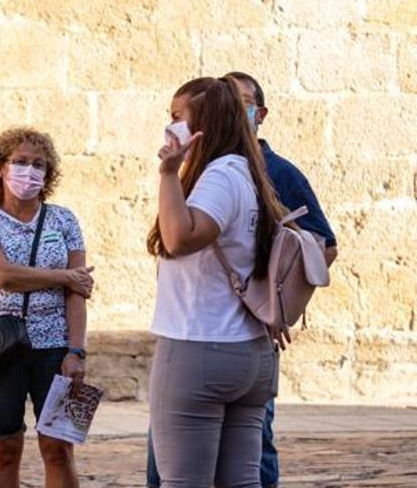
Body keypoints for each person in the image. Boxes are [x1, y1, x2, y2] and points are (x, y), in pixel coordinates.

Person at [144, 72, 339, 488]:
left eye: (178, 115)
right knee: (242, 479)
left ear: (204, 123)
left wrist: (167, 174)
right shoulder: (251, 173)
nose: (171, 124)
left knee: (183, 480)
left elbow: (180, 239)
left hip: (199, 344)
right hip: (248, 350)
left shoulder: (220, 176)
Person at [0, 126, 94, 488]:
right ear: (0, 168)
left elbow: (78, 291)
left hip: (56, 346)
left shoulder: (64, 219)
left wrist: (77, 351)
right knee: (4, 447)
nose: (29, 171)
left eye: (39, 164)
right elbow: (1, 274)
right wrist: (64, 276)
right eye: (20, 162)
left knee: (60, 448)